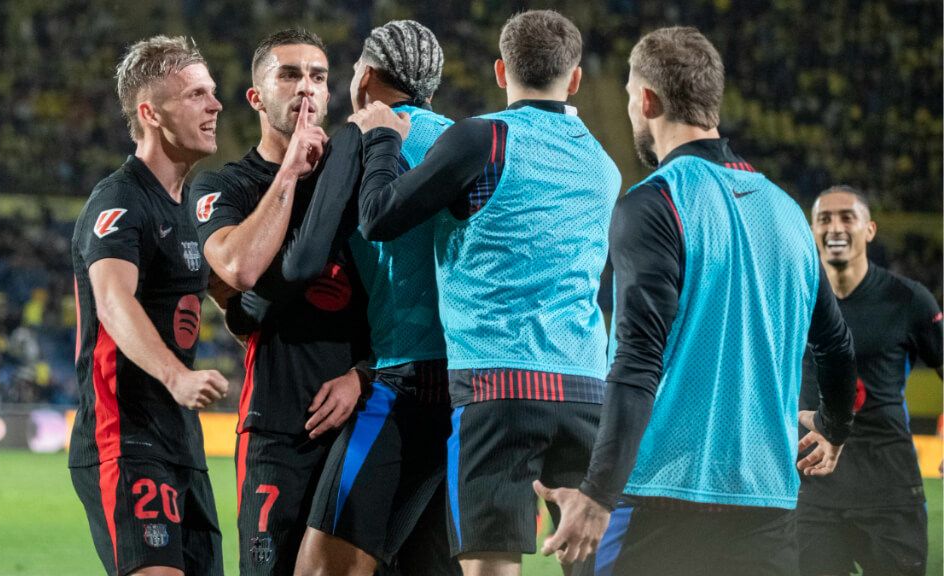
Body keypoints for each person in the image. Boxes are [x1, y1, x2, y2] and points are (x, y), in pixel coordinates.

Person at [535, 27, 858, 576]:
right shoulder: (787, 213)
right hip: (768, 509)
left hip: (659, 502)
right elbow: (836, 346)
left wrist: (596, 494)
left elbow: (637, 363)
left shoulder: (654, 203)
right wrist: (834, 426)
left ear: (646, 99)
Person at [355, 10, 621, 575]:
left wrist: (380, 139)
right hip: (585, 388)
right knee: (590, 563)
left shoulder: (484, 137)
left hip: (498, 385)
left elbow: (378, 217)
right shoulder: (603, 164)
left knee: (490, 565)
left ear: (502, 70)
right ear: (574, 79)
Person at [189, 29, 369, 576]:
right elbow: (238, 267)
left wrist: (363, 374)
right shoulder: (223, 186)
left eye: (317, 76)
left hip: (363, 419)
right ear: (256, 96)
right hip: (276, 426)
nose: (306, 88)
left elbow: (401, 296)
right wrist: (290, 168)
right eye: (289, 75)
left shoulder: (360, 183)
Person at [293, 20, 461, 576]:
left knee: (324, 569)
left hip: (402, 386)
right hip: (471, 393)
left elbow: (303, 261)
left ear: (363, 78)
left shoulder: (363, 138)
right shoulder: (470, 143)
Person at [69, 35, 228, 576]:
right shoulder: (119, 200)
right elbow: (113, 301)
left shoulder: (192, 207)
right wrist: (176, 377)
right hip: (124, 435)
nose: (215, 105)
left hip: (183, 445)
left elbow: (235, 299)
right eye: (196, 94)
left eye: (212, 92)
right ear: (150, 113)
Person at [797, 185, 943, 576]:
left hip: (889, 491)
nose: (836, 227)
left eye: (848, 217)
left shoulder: (908, 299)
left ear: (870, 230)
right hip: (812, 493)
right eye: (824, 219)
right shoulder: (794, 298)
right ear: (812, 230)